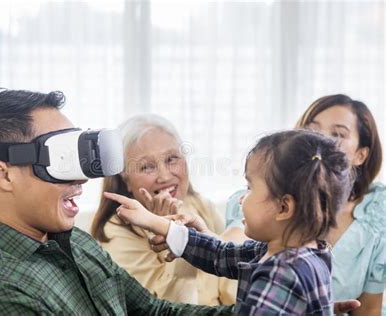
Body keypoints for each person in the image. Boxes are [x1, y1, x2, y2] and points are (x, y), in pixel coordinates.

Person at [0, 88, 235, 315]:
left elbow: (152, 310)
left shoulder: (75, 244)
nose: (81, 182)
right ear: (3, 175)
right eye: (60, 161)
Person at [104, 129, 353, 315]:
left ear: (283, 207)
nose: (242, 198)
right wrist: (154, 221)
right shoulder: (295, 251)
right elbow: (219, 254)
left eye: (250, 187)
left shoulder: (280, 273)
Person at [225, 94, 385, 315]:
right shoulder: (262, 197)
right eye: (312, 129)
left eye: (338, 134)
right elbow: (231, 247)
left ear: (361, 154)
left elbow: (369, 310)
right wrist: (184, 235)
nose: (322, 140)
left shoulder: (377, 213)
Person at [91, 114, 236, 305]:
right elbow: (168, 307)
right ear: (125, 179)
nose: (165, 176)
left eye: (171, 159)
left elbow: (231, 283)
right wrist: (169, 232)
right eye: (146, 167)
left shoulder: (200, 206)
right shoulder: (114, 232)